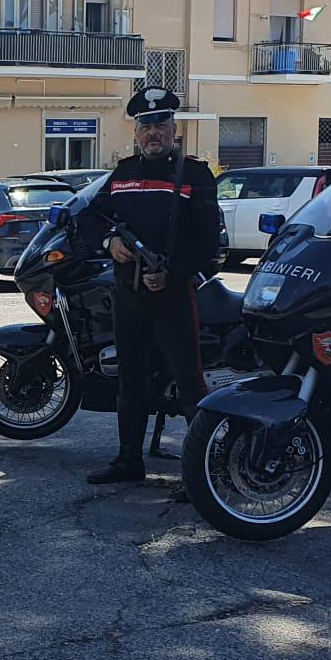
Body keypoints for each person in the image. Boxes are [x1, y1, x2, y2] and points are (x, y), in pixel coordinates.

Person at [72, 86, 225, 485]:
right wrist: (110, 242)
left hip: (172, 296)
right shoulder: (123, 173)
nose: (153, 133)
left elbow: (209, 243)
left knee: (189, 382)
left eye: (161, 124)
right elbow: (87, 219)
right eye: (146, 126)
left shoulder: (194, 175)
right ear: (136, 133)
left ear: (174, 129)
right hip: (128, 295)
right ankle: (128, 461)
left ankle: (205, 474)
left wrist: (173, 273)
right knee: (130, 380)